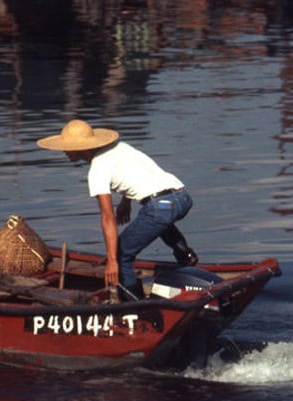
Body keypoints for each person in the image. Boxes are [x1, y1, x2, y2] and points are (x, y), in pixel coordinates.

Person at [37, 119, 198, 300]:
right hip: (181, 197)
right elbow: (139, 173)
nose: (64, 152)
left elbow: (107, 217)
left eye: (67, 148)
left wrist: (113, 260)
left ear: (80, 148)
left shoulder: (97, 170)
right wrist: (125, 202)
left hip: (161, 207)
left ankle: (135, 308)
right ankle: (185, 254)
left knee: (122, 254)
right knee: (153, 216)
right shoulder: (119, 147)